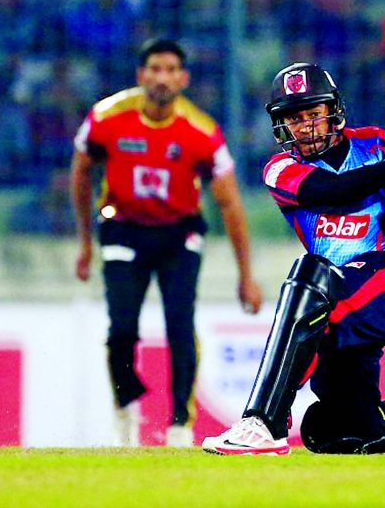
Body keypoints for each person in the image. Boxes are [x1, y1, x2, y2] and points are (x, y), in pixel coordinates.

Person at [202, 62, 385, 456]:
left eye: (313, 114)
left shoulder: (376, 143)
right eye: (294, 118)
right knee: (341, 429)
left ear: (332, 111)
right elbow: (332, 191)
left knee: (309, 272)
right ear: (280, 125)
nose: (305, 126)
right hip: (332, 304)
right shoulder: (280, 169)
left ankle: (264, 422)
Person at [70, 38, 264, 448]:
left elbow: (229, 203)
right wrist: (85, 243)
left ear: (184, 78)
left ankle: (180, 426)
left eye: (170, 70)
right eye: (154, 69)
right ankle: (126, 410)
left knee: (180, 324)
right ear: (141, 76)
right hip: (122, 227)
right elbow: (81, 172)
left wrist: (246, 276)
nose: (161, 77)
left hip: (179, 233)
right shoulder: (106, 117)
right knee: (121, 328)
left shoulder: (202, 131)